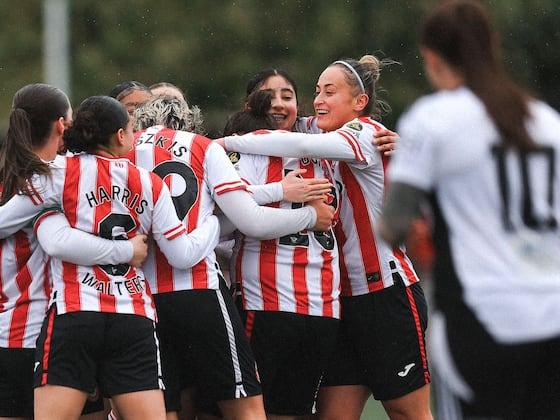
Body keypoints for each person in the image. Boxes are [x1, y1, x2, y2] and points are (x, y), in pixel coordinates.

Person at [218, 55, 432, 420]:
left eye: (329, 92)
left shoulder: (363, 132)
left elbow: (299, 145)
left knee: (406, 411)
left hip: (384, 293)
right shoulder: (322, 130)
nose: (318, 100)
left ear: (360, 101)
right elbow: (284, 122)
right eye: (316, 91)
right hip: (341, 300)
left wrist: (219, 145)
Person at [379, 1, 560, 419]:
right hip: (553, 313)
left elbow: (394, 224)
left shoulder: (434, 118)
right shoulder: (546, 120)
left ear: (430, 56)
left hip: (483, 317)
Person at [0, 94, 222, 420]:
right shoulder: (150, 182)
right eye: (131, 129)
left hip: (76, 313)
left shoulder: (58, 173)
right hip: (132, 317)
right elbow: (182, 254)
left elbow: (14, 225)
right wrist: (213, 224)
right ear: (120, 135)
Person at [128, 95, 335, 420]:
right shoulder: (202, 146)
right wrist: (309, 217)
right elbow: (248, 220)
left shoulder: (123, 152)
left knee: (164, 409)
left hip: (141, 298)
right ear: (188, 121)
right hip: (200, 292)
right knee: (245, 406)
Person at [0, 84, 149, 420]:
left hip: (10, 336)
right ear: (61, 126)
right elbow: (58, 241)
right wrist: (125, 250)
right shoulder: (55, 179)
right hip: (47, 334)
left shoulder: (14, 177)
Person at [221, 89, 341, 420]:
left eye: (287, 95)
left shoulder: (324, 150)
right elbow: (230, 219)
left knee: (284, 410)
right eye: (269, 94)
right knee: (253, 408)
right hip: (273, 304)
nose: (278, 103)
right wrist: (299, 208)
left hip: (314, 305)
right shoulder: (243, 154)